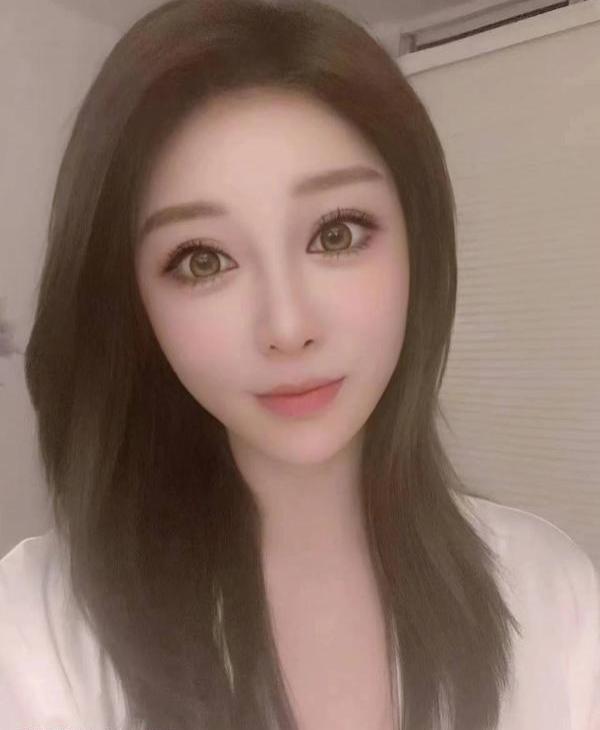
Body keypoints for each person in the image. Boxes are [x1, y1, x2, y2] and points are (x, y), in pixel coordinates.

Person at [1, 0, 598, 729]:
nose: (287, 328)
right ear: (133, 302)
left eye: (336, 234)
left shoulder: (550, 595)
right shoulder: (34, 635)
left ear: (418, 243)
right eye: (203, 259)